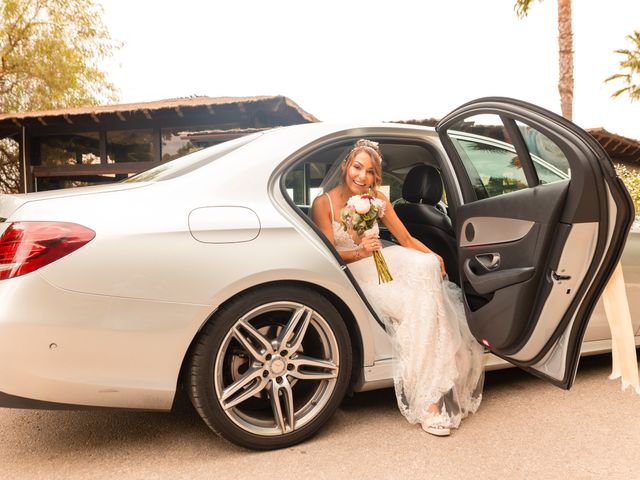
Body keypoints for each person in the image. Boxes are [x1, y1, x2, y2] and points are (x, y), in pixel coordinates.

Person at [311, 139, 484, 437]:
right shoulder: (322, 203)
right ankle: (430, 401)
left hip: (382, 260)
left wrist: (434, 255)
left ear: (376, 177)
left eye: (370, 172)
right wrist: (360, 252)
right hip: (353, 270)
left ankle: (438, 377)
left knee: (426, 268)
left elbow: (404, 240)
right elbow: (327, 255)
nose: (362, 177)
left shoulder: (376, 199)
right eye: (357, 167)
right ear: (344, 166)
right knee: (417, 305)